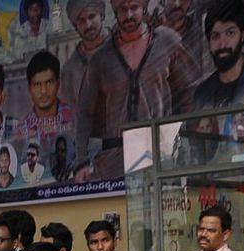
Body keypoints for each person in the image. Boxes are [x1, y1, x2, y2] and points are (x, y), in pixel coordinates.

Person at [76, 0, 198, 178]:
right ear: (115, 12)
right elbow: (85, 112)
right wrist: (81, 162)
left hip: (161, 152)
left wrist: (189, 142)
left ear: (144, 7)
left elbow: (190, 92)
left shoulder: (166, 41)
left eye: (134, 8)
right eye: (123, 10)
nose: (129, 15)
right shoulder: (101, 58)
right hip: (116, 160)